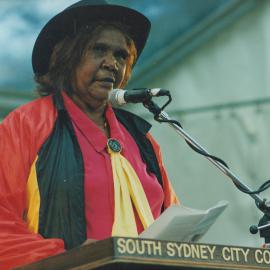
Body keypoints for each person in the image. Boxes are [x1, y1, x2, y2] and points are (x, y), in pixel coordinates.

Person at [0, 0, 179, 269]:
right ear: (67, 56)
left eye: (121, 56)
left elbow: (172, 218)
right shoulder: (25, 125)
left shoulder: (143, 139)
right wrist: (68, 258)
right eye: (98, 50)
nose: (112, 63)